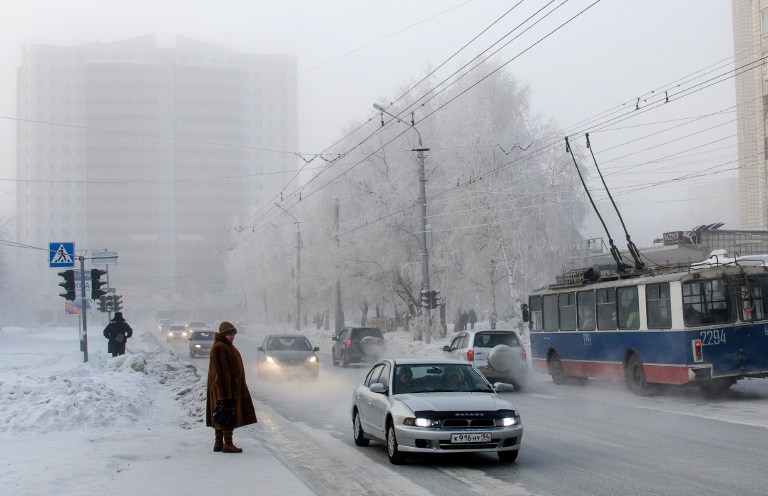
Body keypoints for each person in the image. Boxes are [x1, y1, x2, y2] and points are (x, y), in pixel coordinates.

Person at [206, 321, 257, 453]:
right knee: (226, 414)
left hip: (227, 389)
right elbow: (221, 374)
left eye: (233, 334)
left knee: (220, 414)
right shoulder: (220, 348)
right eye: (229, 334)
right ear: (223, 335)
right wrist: (224, 395)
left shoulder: (226, 346)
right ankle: (228, 444)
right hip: (225, 389)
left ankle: (218, 443)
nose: (232, 336)